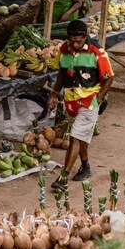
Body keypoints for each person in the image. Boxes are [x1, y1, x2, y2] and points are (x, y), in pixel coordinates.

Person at [49, 19, 114, 190]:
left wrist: (99, 98)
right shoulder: (63, 51)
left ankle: (63, 178)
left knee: (75, 137)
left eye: (79, 41)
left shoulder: (97, 52)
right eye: (72, 40)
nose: (76, 44)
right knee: (81, 137)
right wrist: (54, 94)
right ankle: (85, 167)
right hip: (71, 101)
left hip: (89, 100)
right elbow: (61, 75)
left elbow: (109, 77)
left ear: (86, 36)